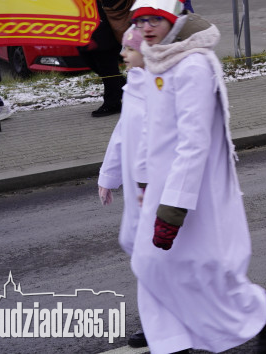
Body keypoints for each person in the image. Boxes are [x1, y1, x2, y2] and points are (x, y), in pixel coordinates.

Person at [128, 0, 266, 354]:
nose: (145, 29)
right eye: (140, 21)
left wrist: (173, 208)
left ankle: (263, 312)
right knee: (152, 266)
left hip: (189, 194)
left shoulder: (194, 65)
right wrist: (145, 179)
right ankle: (171, 339)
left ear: (174, 20)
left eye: (153, 20)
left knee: (197, 269)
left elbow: (194, 140)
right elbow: (151, 128)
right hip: (162, 188)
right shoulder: (155, 60)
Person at [97, 25, 149, 349]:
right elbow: (122, 134)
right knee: (138, 252)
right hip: (137, 194)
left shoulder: (160, 89)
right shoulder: (133, 86)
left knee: (151, 260)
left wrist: (147, 183)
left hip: (153, 194)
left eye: (129, 49)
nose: (122, 54)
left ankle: (163, 322)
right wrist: (107, 176)